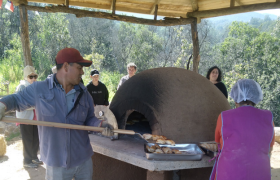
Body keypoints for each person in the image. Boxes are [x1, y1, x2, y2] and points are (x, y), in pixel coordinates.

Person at [0, 48, 113, 180]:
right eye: (79, 67)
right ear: (65, 66)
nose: (82, 72)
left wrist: (100, 124)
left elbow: (89, 119)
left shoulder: (84, 94)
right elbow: (15, 99)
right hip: (56, 163)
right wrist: (2, 106)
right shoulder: (39, 89)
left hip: (83, 159)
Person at [210, 79, 275, 180]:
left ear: (236, 99)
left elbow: (218, 144)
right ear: (256, 97)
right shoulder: (268, 117)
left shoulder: (224, 117)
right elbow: (270, 148)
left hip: (228, 174)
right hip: (260, 174)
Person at [16, 65, 42, 168]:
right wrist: (35, 105)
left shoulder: (35, 86)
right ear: (25, 77)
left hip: (34, 117)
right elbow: (19, 103)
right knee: (27, 139)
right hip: (25, 117)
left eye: (35, 76)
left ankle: (34, 157)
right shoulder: (22, 86)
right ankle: (27, 161)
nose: (34, 79)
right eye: (31, 77)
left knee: (36, 137)